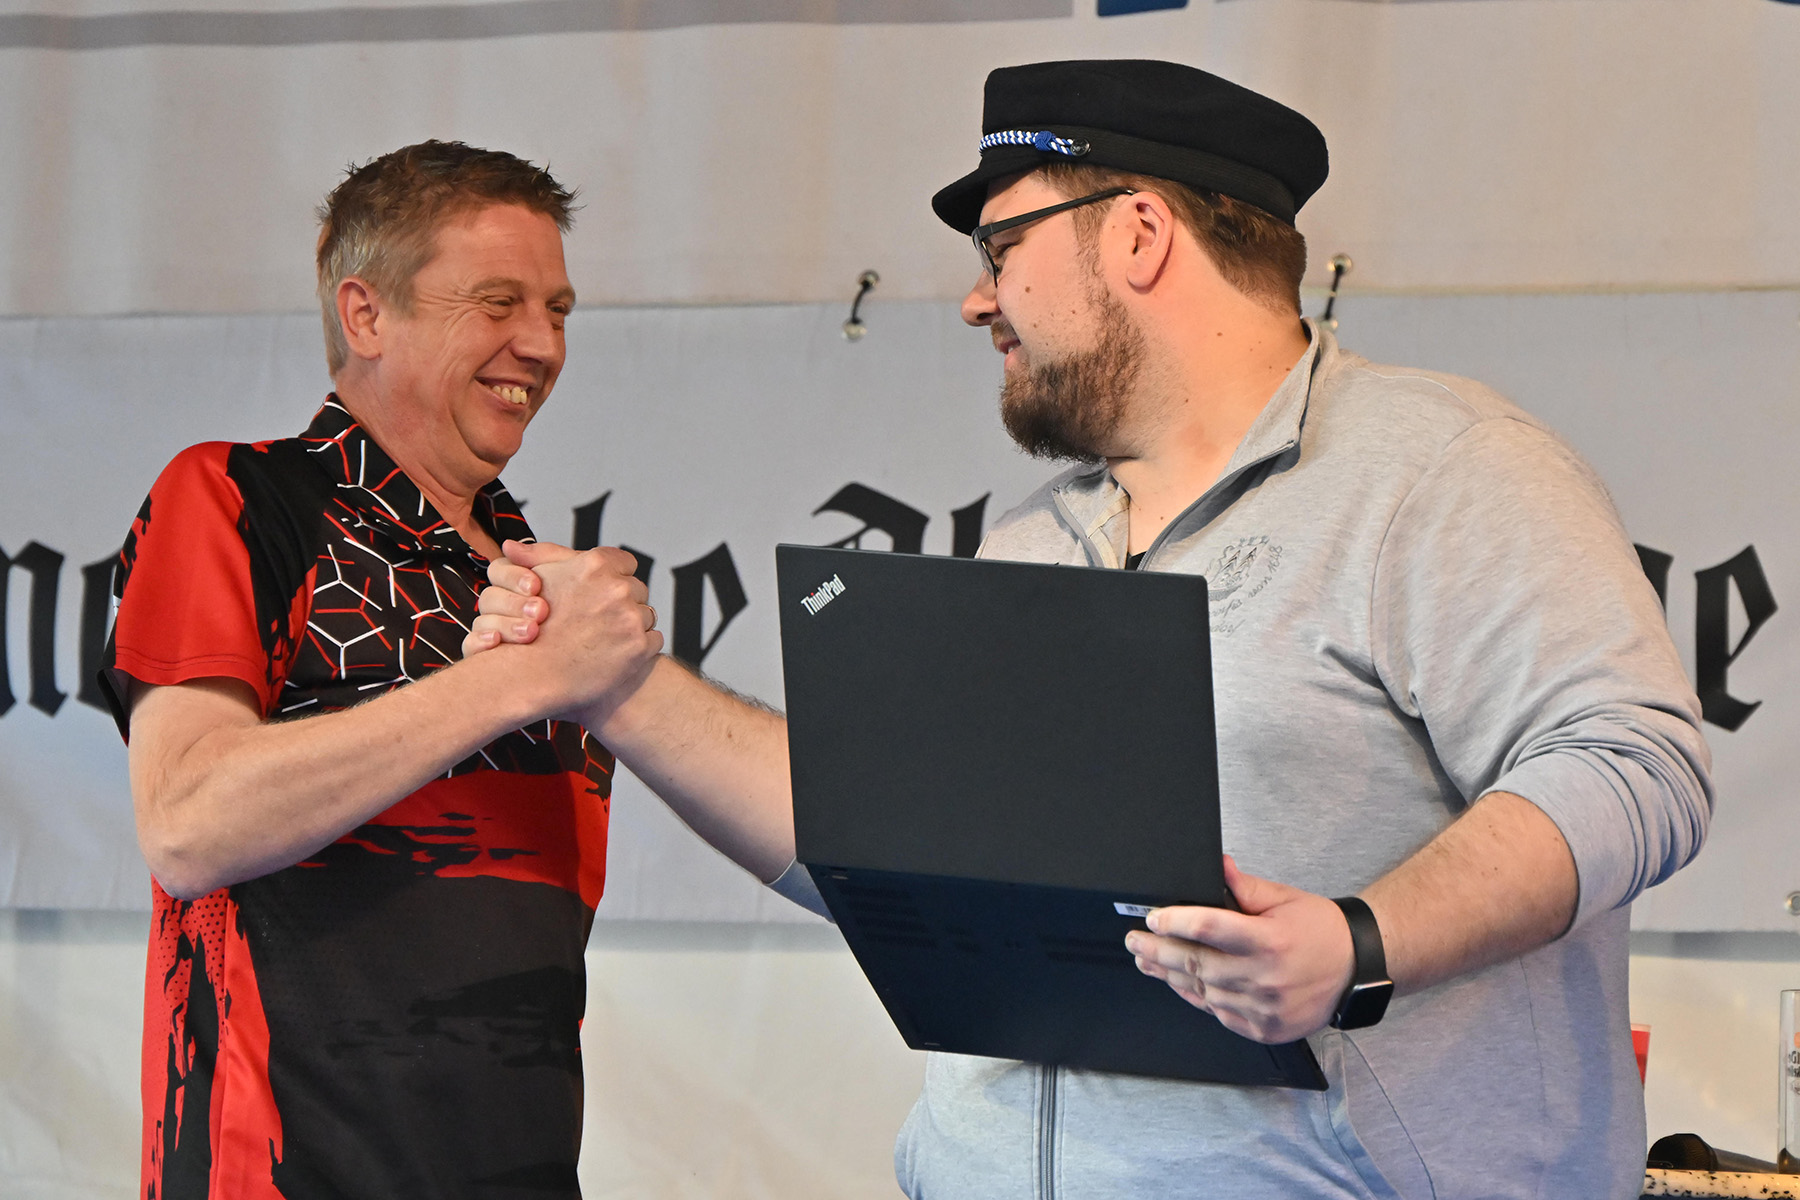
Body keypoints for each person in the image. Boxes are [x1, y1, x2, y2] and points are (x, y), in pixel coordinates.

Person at [468, 61, 1712, 1199]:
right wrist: (614, 682)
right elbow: (880, 845)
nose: (976, 299)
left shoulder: (1442, 471)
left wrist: (1360, 943)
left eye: (1003, 244)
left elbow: (1633, 760)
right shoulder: (1034, 542)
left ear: (1138, 233)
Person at [99, 140, 789, 1200]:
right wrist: (517, 683)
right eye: (499, 302)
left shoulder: (530, 579)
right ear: (367, 315)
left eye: (558, 310)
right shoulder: (237, 499)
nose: (541, 344)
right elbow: (187, 824)